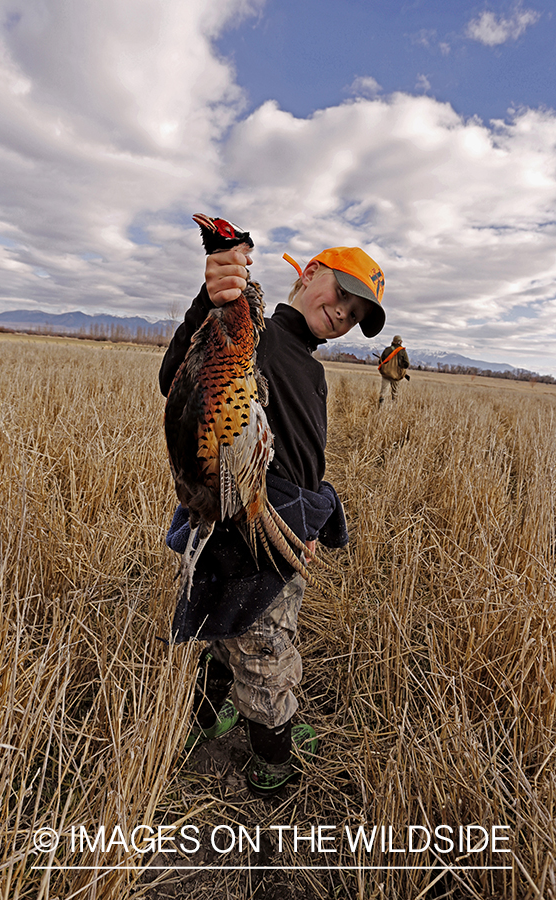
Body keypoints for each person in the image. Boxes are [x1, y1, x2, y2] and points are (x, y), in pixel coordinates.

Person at [159, 242, 386, 796]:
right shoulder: (256, 337)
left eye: (356, 317)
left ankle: (209, 717)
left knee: (223, 632)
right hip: (249, 540)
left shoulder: (308, 365)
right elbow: (179, 381)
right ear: (309, 274)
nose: (343, 316)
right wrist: (217, 297)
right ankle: (272, 766)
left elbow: (301, 456)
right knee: (268, 659)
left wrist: (303, 519)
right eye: (344, 296)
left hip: (278, 528)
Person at [378, 335, 409, 405]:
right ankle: (394, 409)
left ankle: (380, 407)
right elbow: (406, 364)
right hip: (396, 375)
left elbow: (380, 361)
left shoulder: (387, 349)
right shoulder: (402, 351)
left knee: (383, 392)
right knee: (395, 394)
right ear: (400, 342)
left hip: (386, 374)